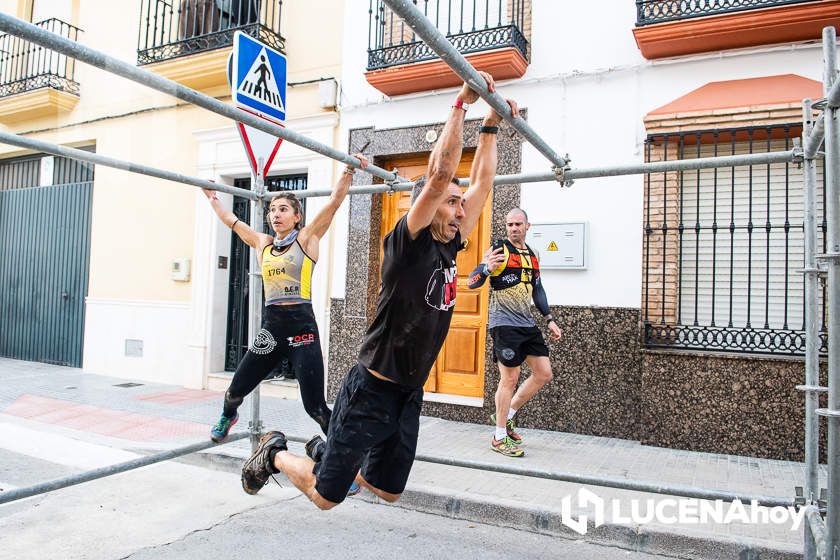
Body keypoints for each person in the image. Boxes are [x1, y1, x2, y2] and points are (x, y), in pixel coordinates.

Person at [239, 72, 519, 509]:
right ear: (426, 204)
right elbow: (441, 171)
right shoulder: (408, 244)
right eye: (450, 201)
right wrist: (462, 104)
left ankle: (327, 454)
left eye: (460, 204)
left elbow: (482, 184)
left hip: (409, 391)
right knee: (326, 497)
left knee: (388, 490)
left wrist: (491, 125)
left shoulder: (452, 243)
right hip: (371, 387)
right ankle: (275, 453)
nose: (461, 209)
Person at [203, 153, 369, 443]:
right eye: (272, 210)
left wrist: (349, 170)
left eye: (283, 209)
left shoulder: (307, 239)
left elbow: (333, 204)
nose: (276, 215)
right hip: (272, 329)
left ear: (297, 216)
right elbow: (231, 219)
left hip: (302, 331)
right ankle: (229, 415)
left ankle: (342, 458)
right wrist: (212, 196)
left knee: (315, 408)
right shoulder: (262, 243)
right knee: (234, 391)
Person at [467, 208, 562, 457]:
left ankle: (507, 415)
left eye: (518, 224)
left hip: (527, 324)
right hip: (503, 324)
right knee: (510, 378)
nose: (513, 228)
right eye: (510, 224)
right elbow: (472, 281)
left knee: (543, 373)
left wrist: (549, 319)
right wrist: (486, 269)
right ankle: (499, 438)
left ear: (527, 226)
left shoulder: (533, 254)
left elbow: (538, 289)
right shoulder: (499, 250)